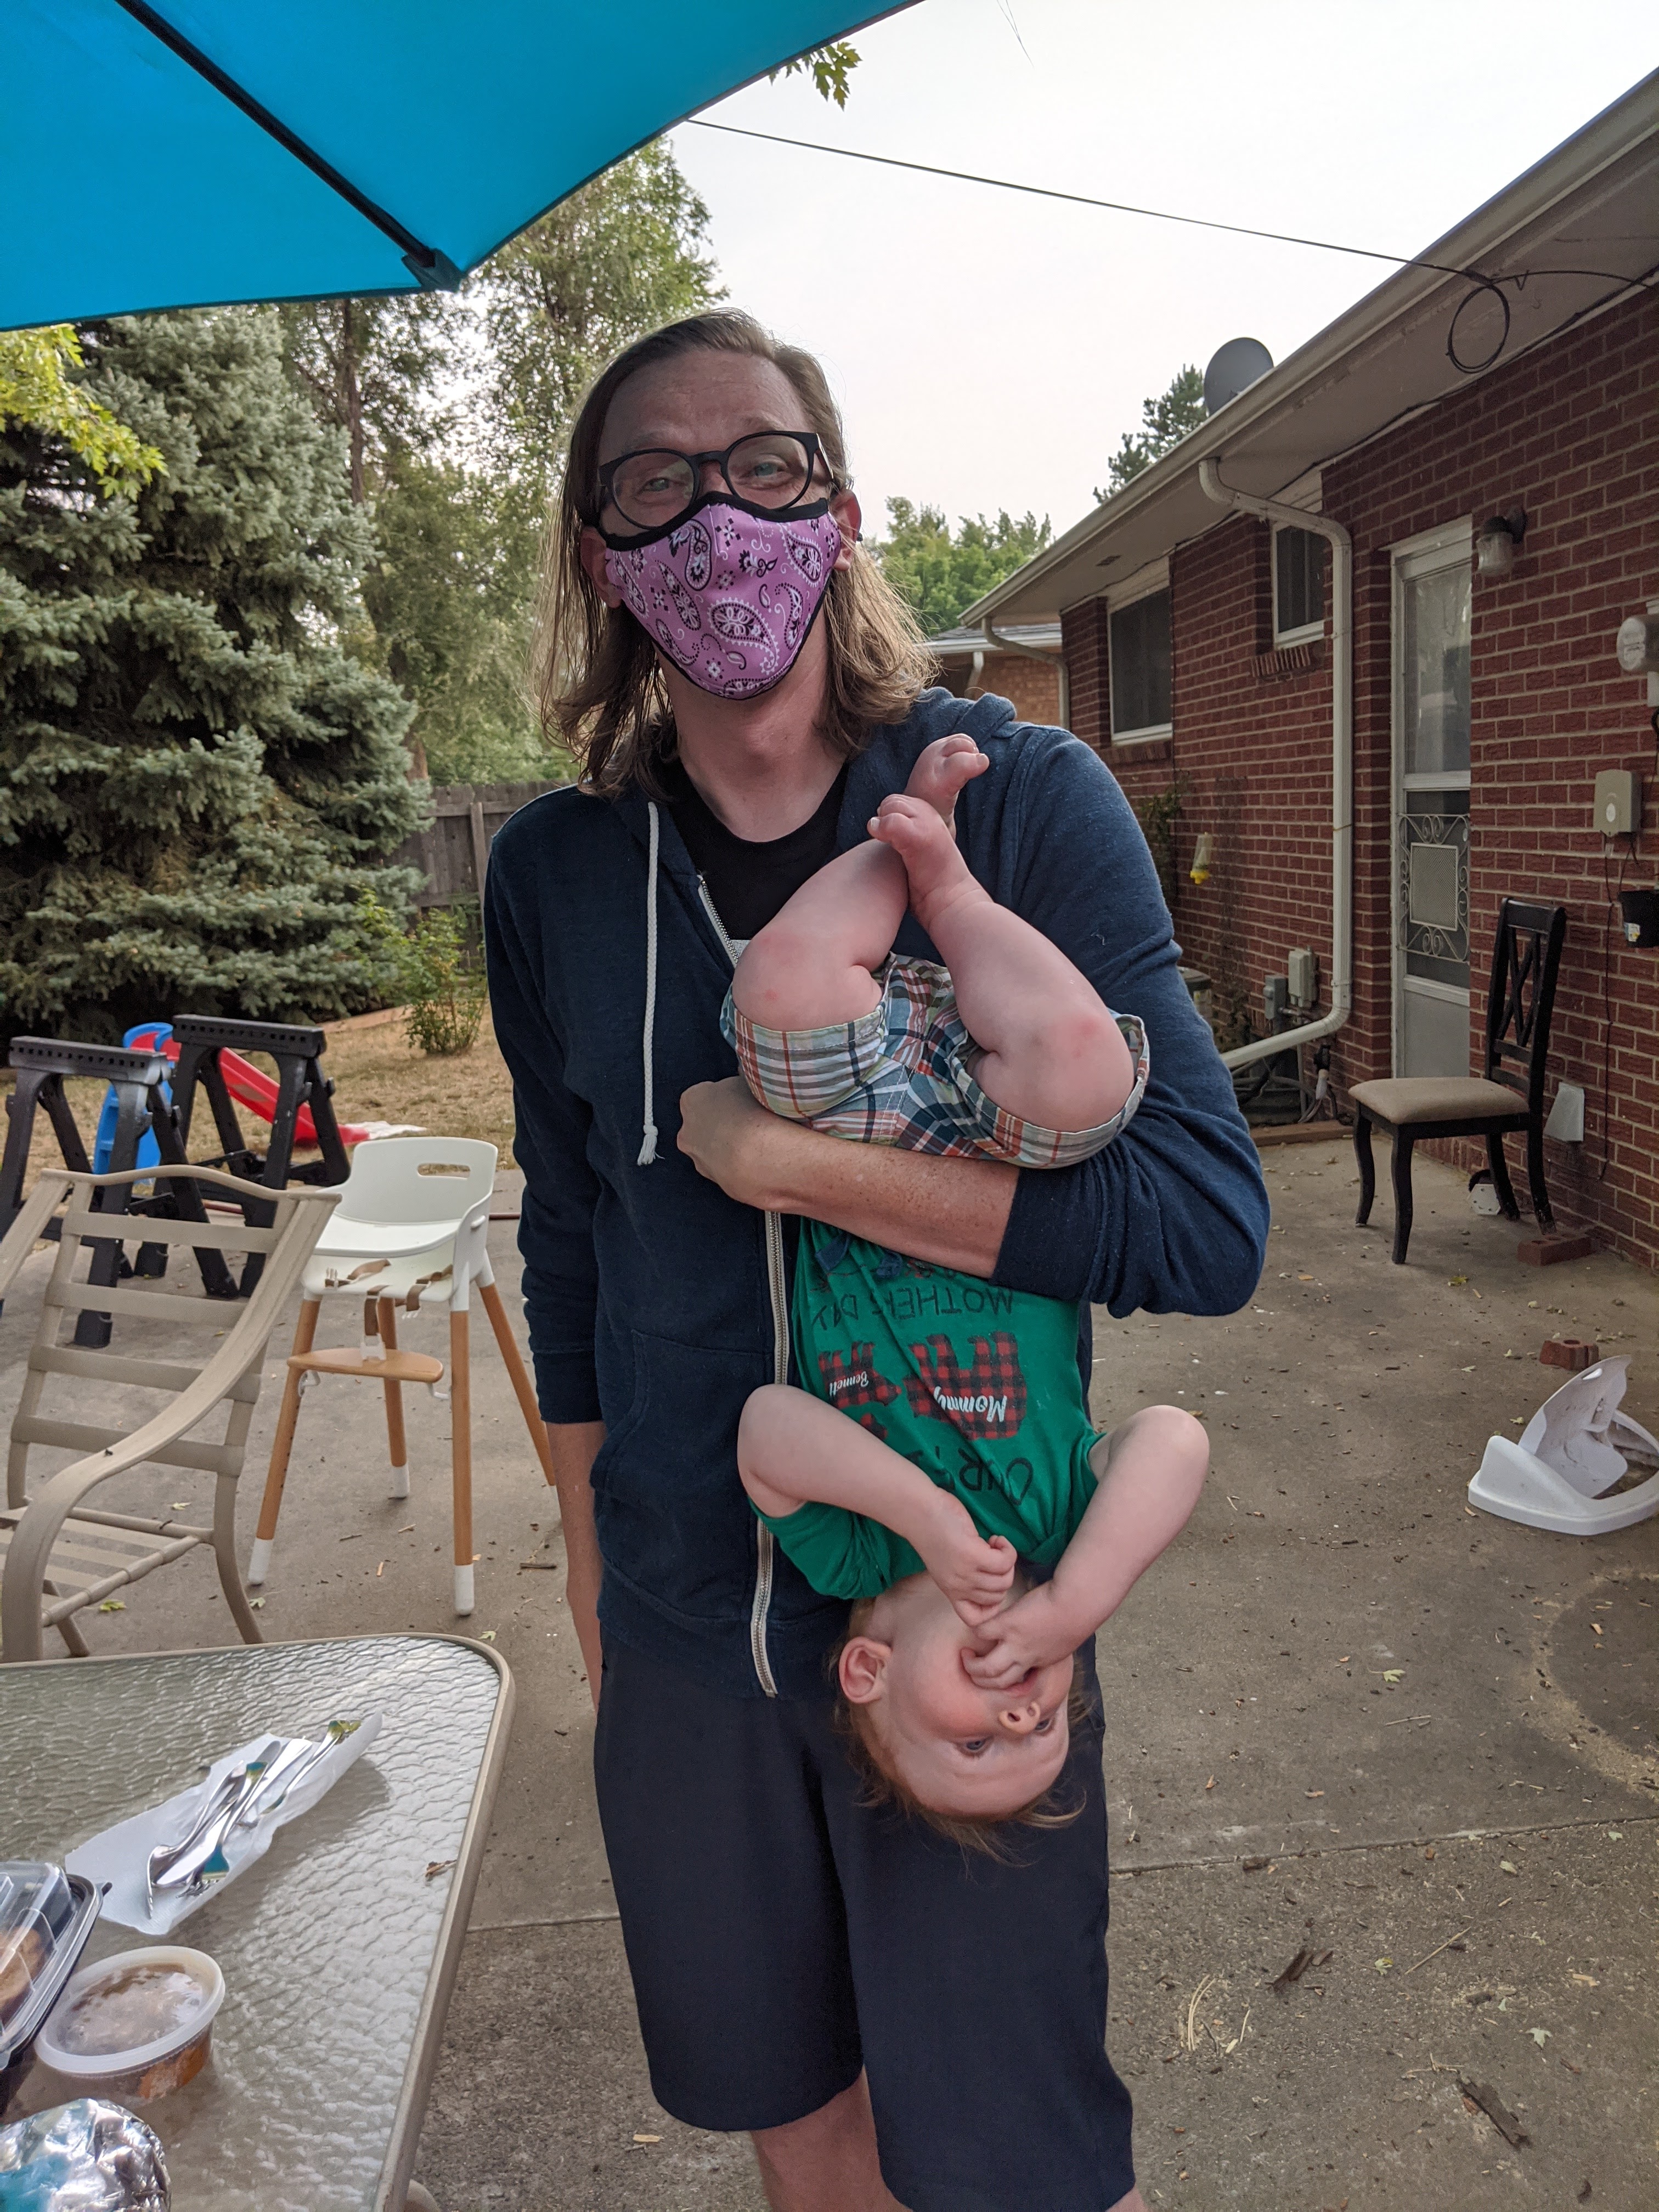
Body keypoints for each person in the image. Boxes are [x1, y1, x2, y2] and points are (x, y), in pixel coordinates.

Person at [484, 308, 1270, 2212]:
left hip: (963, 1632)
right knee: (802, 2123)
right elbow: (568, 1240)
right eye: (654, 482)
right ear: (600, 555)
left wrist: (796, 1166)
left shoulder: (1017, 802)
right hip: (688, 1621)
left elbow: (1202, 1220)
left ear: (836, 512)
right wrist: (591, 1561)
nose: (715, 515)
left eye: (761, 465)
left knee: (1014, 2163)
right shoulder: (554, 874)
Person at [725, 730, 1206, 1825]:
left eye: (978, 1741)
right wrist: (1075, 1601)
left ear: (869, 1672)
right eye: (1046, 1727)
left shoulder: (854, 1554)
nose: (1023, 1711)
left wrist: (929, 1520)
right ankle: (947, 887)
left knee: (782, 986)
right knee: (1089, 1062)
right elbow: (1176, 1441)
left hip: (848, 1121)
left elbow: (768, 1430)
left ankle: (899, 852)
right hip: (1000, 1138)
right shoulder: (1054, 1528)